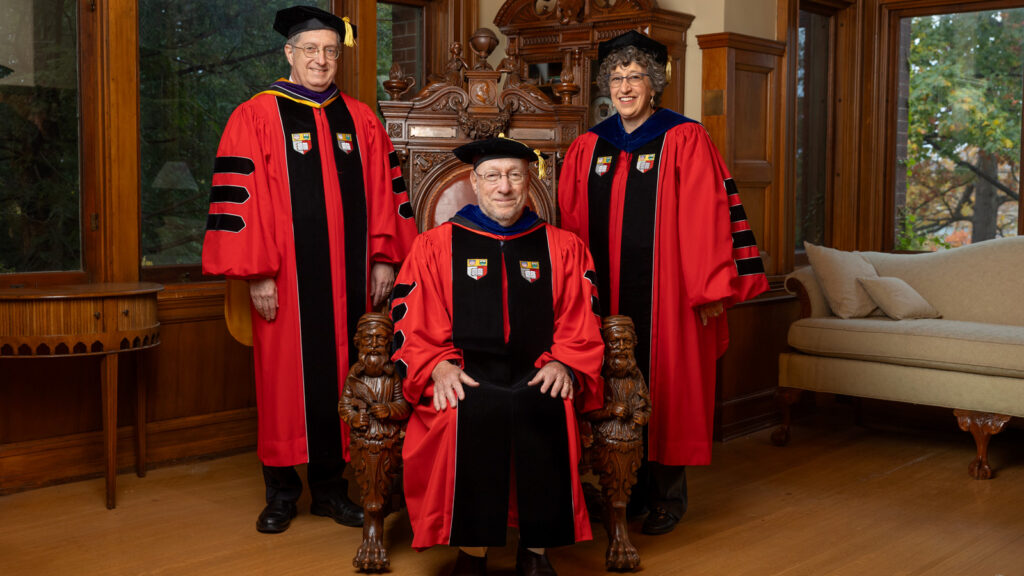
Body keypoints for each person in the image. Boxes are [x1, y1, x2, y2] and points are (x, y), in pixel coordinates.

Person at [201, 5, 417, 535]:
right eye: (311, 50)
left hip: (349, 280)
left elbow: (388, 194)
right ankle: (280, 492)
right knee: (282, 382)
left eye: (330, 52)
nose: (321, 60)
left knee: (344, 376)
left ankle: (328, 489)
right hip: (287, 282)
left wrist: (386, 256)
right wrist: (258, 273)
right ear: (289, 54)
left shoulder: (361, 120)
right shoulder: (255, 115)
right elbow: (240, 202)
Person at [557, 30, 770, 536]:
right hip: (601, 293)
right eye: (617, 77)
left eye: (635, 78)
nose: (625, 87)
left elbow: (709, 217)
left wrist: (710, 288)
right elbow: (569, 223)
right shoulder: (590, 145)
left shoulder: (685, 137)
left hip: (668, 294)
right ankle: (619, 489)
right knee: (607, 382)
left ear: (654, 84)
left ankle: (666, 497)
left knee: (665, 385)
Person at [390, 136, 605, 576]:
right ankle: (473, 552)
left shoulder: (562, 246)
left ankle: (537, 549)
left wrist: (565, 361)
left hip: (539, 369)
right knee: (459, 412)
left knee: (549, 404)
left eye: (514, 175)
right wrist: (437, 365)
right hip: (466, 372)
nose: (503, 186)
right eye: (492, 176)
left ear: (529, 182)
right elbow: (413, 318)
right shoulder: (435, 245)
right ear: (474, 181)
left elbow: (580, 314)